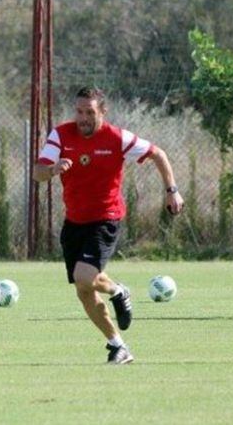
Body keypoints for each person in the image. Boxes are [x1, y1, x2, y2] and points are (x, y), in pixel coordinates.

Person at [33, 86, 184, 365]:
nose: (83, 118)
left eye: (89, 112)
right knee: (83, 290)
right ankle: (118, 345)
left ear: (102, 112)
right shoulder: (61, 135)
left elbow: (158, 154)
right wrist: (53, 170)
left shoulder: (117, 138)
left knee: (84, 277)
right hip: (74, 222)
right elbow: (38, 172)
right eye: (79, 111)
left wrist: (171, 190)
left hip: (105, 219)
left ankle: (117, 292)